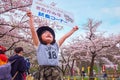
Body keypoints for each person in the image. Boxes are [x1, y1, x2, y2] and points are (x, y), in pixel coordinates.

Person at [27, 11, 79, 80]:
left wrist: (73, 30)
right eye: (45, 33)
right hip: (43, 70)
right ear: (40, 37)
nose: (48, 34)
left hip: (55, 70)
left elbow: (64, 37)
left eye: (50, 34)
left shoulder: (56, 45)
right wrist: (31, 18)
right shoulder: (39, 45)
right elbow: (33, 31)